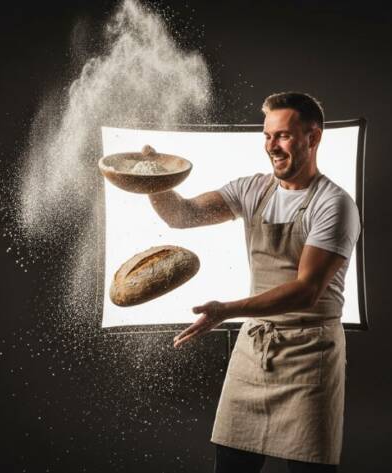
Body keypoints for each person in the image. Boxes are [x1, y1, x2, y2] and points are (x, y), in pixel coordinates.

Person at [148, 92, 362, 472]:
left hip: (310, 353)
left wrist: (227, 310)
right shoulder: (252, 190)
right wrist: (152, 178)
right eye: (267, 136)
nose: (271, 146)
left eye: (283, 136)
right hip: (255, 348)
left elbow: (306, 291)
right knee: (232, 464)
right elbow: (181, 215)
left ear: (313, 138)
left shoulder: (334, 204)